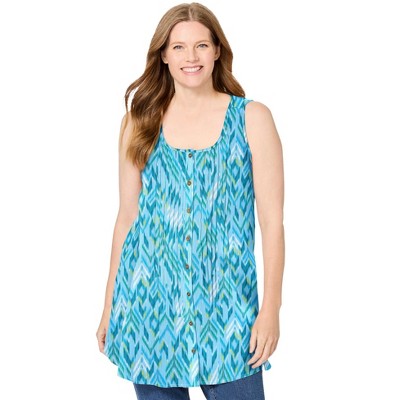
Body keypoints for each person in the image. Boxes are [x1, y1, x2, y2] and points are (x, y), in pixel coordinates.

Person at [96, 2, 285, 399]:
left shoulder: (252, 118)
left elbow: (272, 223)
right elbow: (127, 218)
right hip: (150, 312)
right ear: (163, 55)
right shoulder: (139, 122)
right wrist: (109, 305)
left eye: (201, 45)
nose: (191, 57)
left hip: (228, 311)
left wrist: (271, 309)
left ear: (217, 50)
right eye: (178, 47)